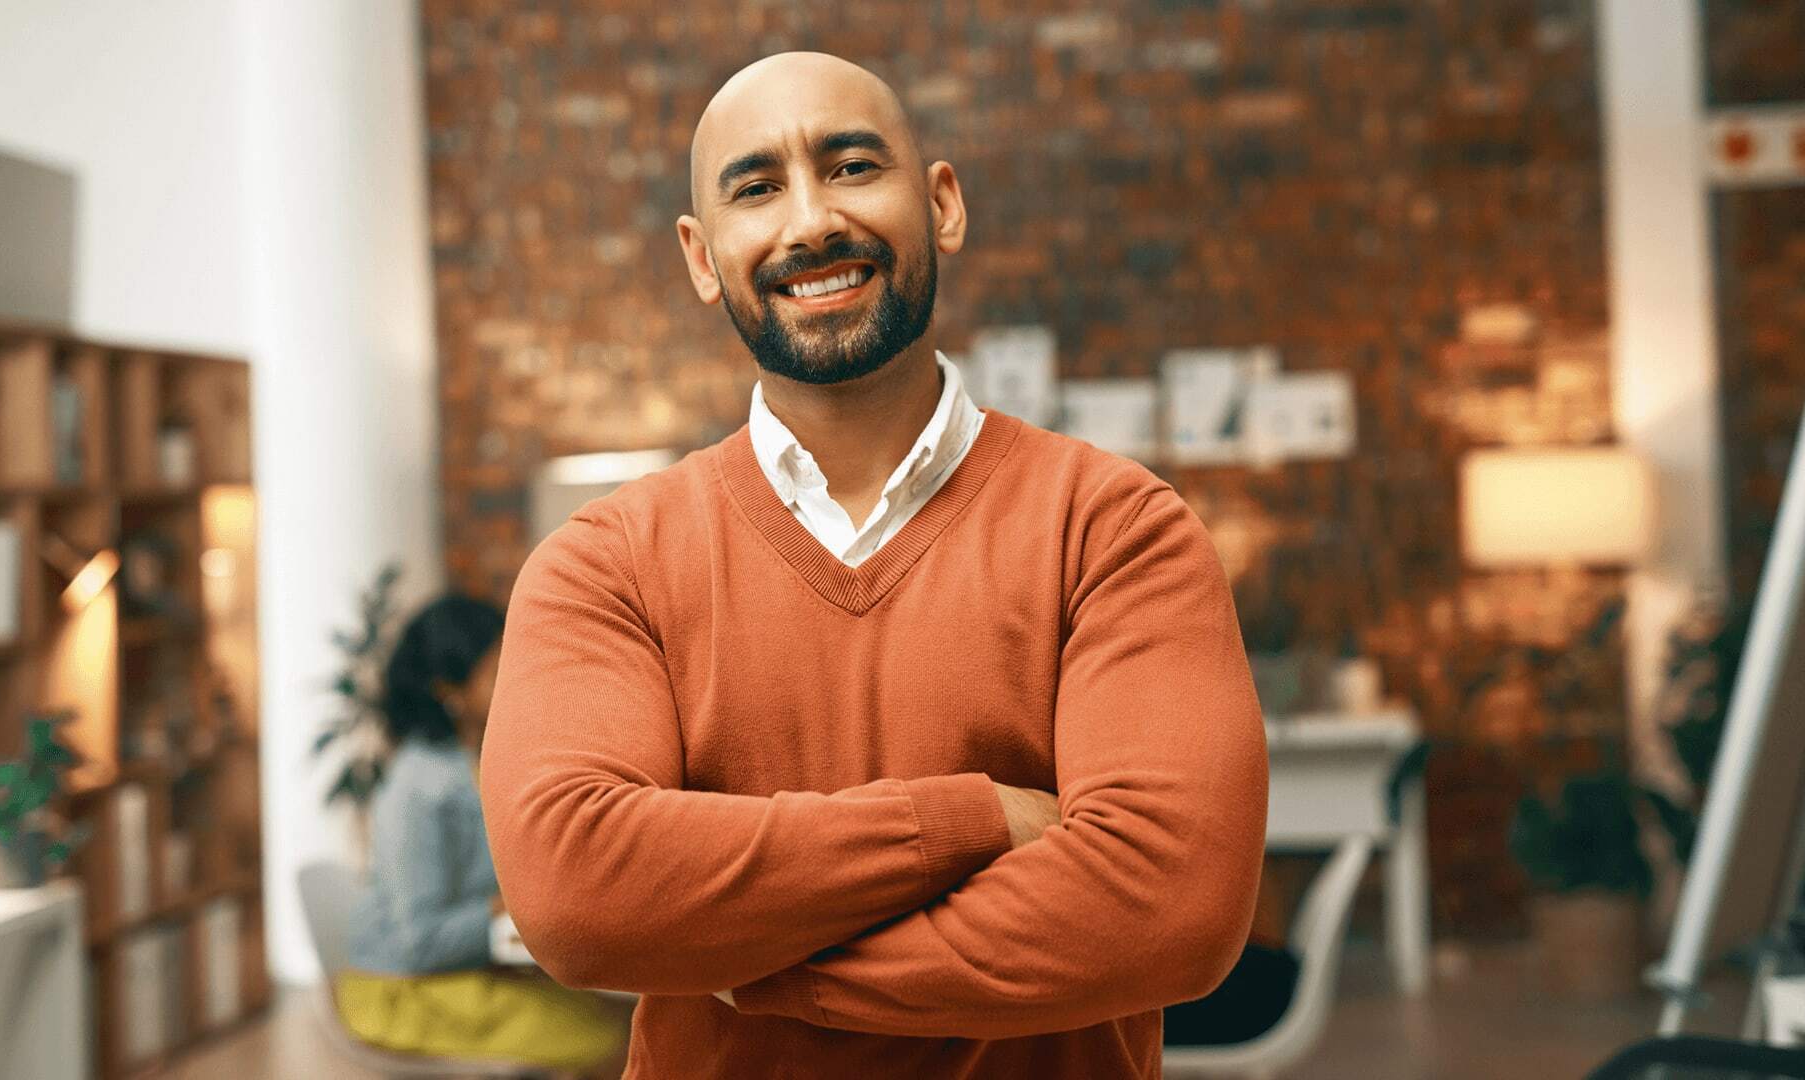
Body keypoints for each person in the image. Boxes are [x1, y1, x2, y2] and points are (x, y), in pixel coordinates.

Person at [481, 51, 1268, 1079]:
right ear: (702, 258)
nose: (810, 222)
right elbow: (578, 893)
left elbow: (1171, 906)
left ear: (941, 204)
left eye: (852, 167)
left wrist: (765, 970)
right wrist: (977, 819)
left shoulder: (1114, 529)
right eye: (757, 189)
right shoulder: (605, 566)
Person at [336, 594, 627, 1077]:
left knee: (623, 1019)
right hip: (405, 992)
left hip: (463, 975)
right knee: (615, 1037)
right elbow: (419, 943)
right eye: (497, 671)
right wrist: (506, 906)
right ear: (448, 690)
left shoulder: (480, 760)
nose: (520, 679)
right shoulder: (418, 788)